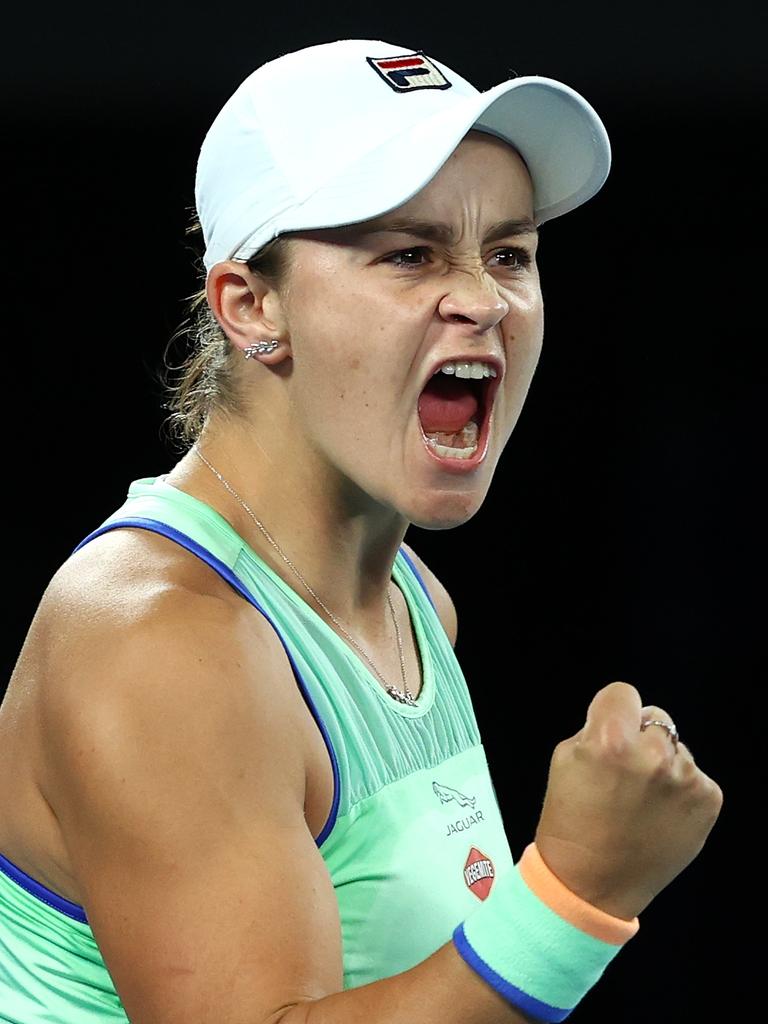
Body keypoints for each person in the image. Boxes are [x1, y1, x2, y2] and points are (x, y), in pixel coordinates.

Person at [0, 38, 722, 1024]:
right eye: (411, 252)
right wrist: (574, 894)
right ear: (253, 306)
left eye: (508, 253)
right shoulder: (159, 641)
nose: (482, 299)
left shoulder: (416, 601)